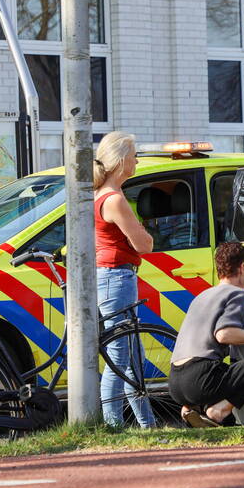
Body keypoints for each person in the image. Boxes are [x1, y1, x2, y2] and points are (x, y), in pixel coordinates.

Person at [169, 242, 244, 427]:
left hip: (176, 383)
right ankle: (220, 410)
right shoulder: (237, 294)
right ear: (242, 267)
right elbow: (224, 335)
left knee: (229, 422)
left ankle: (194, 408)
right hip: (201, 378)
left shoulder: (203, 295)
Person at [94, 131, 155, 428]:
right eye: (133, 155)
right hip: (117, 277)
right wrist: (143, 232)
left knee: (133, 356)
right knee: (120, 355)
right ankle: (112, 425)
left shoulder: (98, 194)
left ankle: (147, 425)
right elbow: (145, 245)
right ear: (120, 161)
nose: (137, 161)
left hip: (111, 276)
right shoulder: (114, 199)